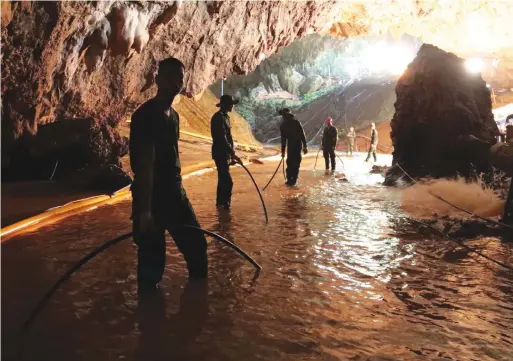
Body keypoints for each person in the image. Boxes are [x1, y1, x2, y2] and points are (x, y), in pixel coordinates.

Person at [129, 57, 208, 289]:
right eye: (171, 76)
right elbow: (144, 165)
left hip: (175, 193)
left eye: (180, 78)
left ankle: (197, 312)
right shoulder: (145, 116)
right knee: (152, 265)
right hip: (152, 196)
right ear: (157, 80)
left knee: (197, 248)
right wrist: (144, 211)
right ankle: (149, 318)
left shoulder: (173, 116)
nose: (176, 82)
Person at [211, 94, 242, 209]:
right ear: (226, 105)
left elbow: (228, 138)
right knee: (228, 181)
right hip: (220, 153)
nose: (232, 106)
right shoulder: (218, 117)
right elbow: (222, 138)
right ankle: (225, 205)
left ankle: (221, 204)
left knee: (223, 179)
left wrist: (231, 155)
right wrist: (233, 154)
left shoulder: (225, 117)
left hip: (225, 153)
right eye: (231, 104)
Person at [279, 108, 308, 185]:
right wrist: (305, 146)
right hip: (295, 146)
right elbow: (302, 135)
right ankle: (292, 180)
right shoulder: (293, 123)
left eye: (284, 115)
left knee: (292, 162)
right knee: (293, 163)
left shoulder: (286, 125)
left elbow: (283, 141)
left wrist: (283, 151)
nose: (284, 117)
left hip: (294, 146)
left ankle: (291, 180)